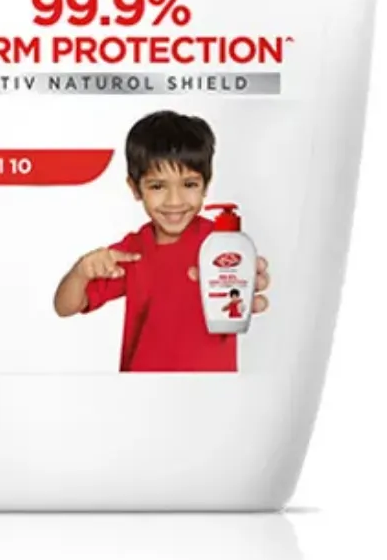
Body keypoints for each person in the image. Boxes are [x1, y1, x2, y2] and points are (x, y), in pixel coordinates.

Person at [52, 110, 270, 372]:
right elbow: (65, 307)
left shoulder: (221, 243)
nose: (174, 201)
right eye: (157, 186)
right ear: (135, 188)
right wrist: (80, 272)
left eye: (189, 184)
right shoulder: (131, 252)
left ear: (205, 185)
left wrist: (245, 289)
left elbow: (243, 292)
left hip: (212, 388)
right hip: (143, 388)